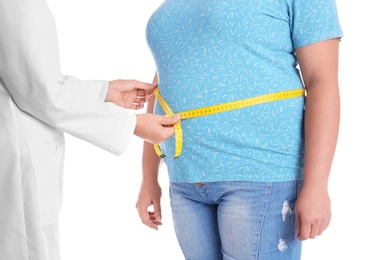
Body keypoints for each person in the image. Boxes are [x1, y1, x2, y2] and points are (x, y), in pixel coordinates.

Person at [136, 0, 343, 259]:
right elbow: (164, 81)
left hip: (259, 171)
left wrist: (317, 185)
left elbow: (322, 81)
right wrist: (148, 178)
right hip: (185, 176)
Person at [0, 0, 180, 260]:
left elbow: (28, 80)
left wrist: (105, 91)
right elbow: (41, 92)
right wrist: (134, 124)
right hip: (16, 162)